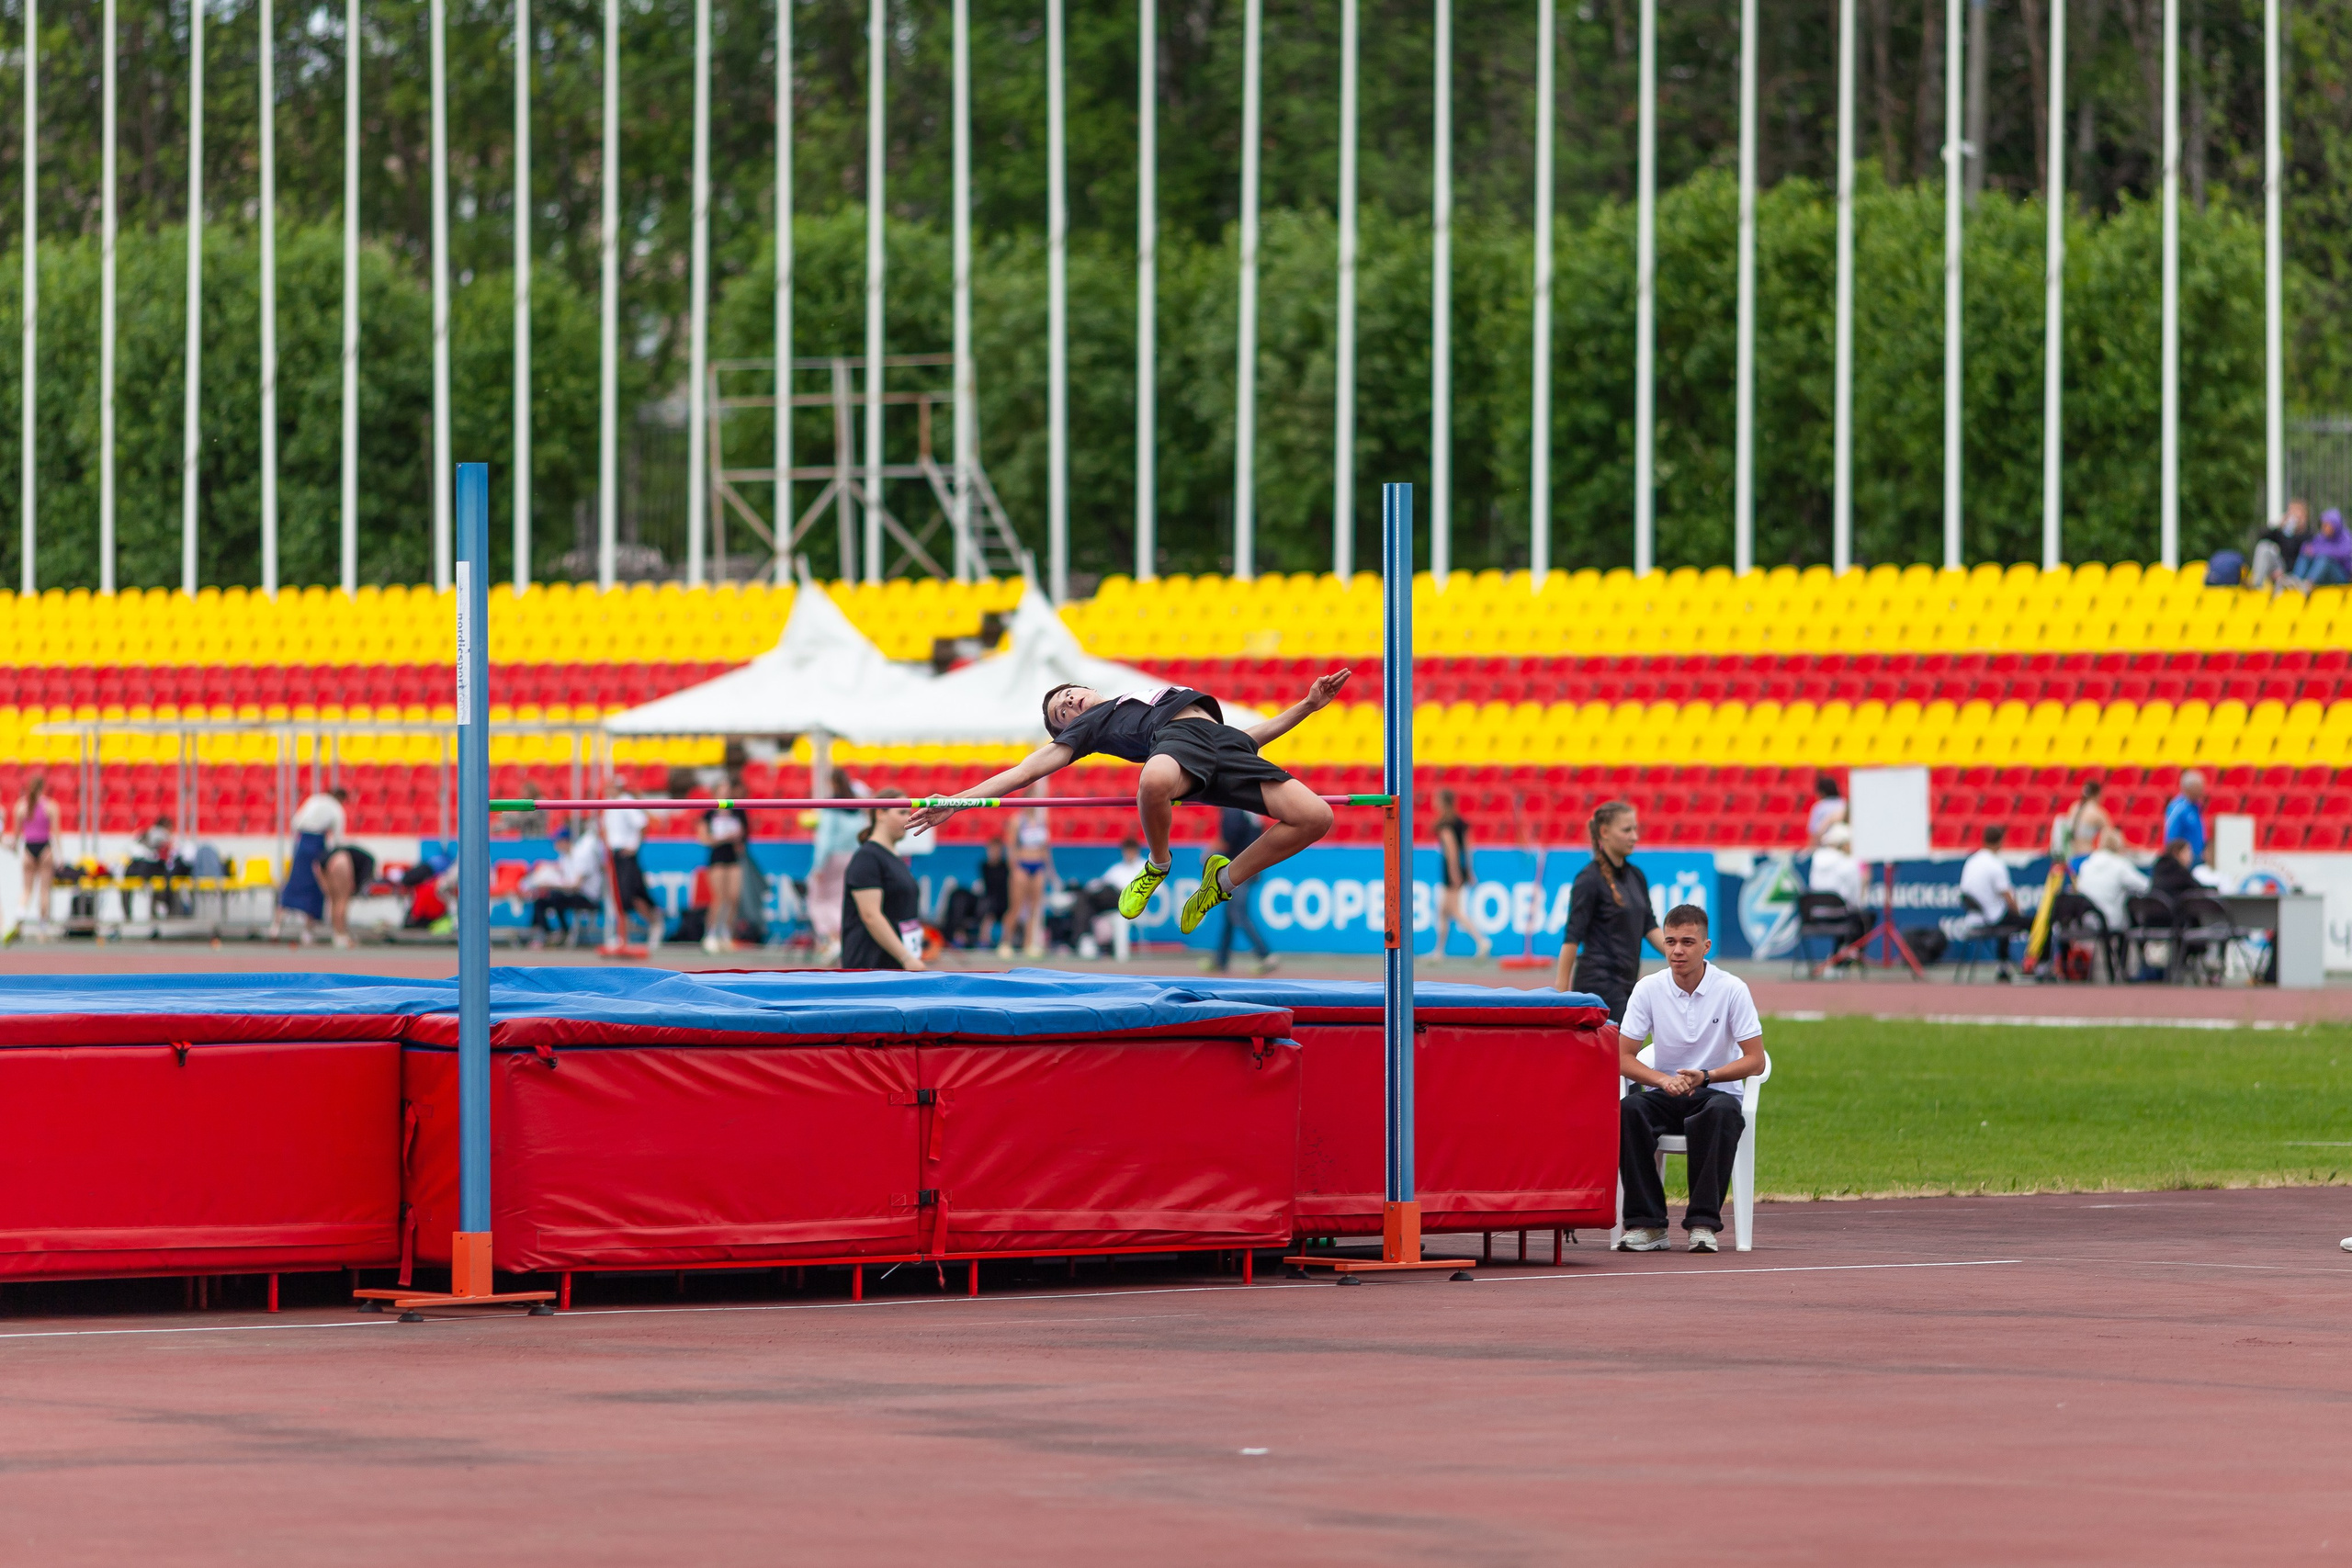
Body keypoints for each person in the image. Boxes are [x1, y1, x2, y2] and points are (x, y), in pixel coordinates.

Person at [909, 672, 1350, 937]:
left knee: (1316, 816)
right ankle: (1158, 864)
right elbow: (1027, 770)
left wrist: (1307, 706)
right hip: (1176, 751)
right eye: (1062, 712)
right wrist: (958, 802)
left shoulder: (1135, 698)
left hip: (1225, 746)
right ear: (1069, 729)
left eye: (1068, 695)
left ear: (1086, 686)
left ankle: (1222, 880)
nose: (1069, 703)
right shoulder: (1092, 724)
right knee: (1153, 780)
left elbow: (1244, 739)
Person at [1613, 904, 1767, 1254]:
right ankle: (1647, 1225)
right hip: (1667, 1094)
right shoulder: (1648, 988)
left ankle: (1702, 1224)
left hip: (1715, 1094)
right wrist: (1662, 1080)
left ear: (1706, 946)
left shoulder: (1732, 989)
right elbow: (1621, 1057)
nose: (1677, 951)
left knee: (1721, 1112)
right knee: (1629, 1110)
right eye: (1670, 942)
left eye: (1687, 942)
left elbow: (1756, 1060)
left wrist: (1706, 1077)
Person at [1555, 800, 1666, 1021]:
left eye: (1635, 829)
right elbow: (1572, 938)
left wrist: (1678, 952)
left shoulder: (1637, 876)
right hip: (1598, 987)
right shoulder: (1589, 879)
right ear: (1604, 832)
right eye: (1626, 830)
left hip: (1629, 984)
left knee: (1633, 1041)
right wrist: (1560, 992)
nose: (1634, 836)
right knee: (1625, 1042)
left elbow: (1649, 925)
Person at [841, 804, 925, 972]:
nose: (909, 818)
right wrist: (906, 958)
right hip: (870, 968)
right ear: (880, 813)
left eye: (909, 813)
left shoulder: (896, 859)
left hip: (894, 966)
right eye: (902, 812)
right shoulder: (867, 857)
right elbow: (871, 915)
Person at [272, 785, 349, 945]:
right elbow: (338, 840)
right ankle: (307, 931)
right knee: (315, 889)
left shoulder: (314, 800)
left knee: (292, 884)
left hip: (302, 843)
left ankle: (276, 927)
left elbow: (295, 822)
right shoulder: (336, 809)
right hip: (317, 845)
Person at [1206, 809, 1279, 975]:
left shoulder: (1232, 809)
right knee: (1230, 914)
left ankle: (1266, 956)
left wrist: (1209, 853)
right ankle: (1221, 960)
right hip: (1251, 864)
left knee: (1236, 913)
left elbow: (1228, 839)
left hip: (1239, 868)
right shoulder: (1251, 809)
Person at [806, 778, 869, 961]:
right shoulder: (859, 814)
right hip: (852, 859)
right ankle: (839, 940)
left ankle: (832, 939)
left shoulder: (831, 809)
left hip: (832, 860)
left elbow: (825, 840)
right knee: (841, 900)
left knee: (818, 899)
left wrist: (818, 866)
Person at [1958, 824, 2029, 980]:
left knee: (2007, 918)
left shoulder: (1971, 861)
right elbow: (2008, 896)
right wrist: (2019, 913)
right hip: (1991, 918)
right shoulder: (1996, 864)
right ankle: (2038, 966)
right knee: (2032, 922)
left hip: (1974, 917)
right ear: (2000, 842)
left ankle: (2003, 966)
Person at [2074, 828, 2150, 972]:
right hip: (2111, 922)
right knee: (2130, 922)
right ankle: (2123, 969)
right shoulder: (2120, 865)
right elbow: (2146, 886)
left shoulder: (2086, 865)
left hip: (2087, 920)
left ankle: (2117, 970)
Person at [1430, 789, 1489, 962]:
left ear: (1442, 802)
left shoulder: (1445, 824)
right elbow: (1468, 847)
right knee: (1443, 910)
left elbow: (1452, 849)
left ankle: (1481, 941)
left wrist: (1454, 872)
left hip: (1451, 870)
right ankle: (1439, 951)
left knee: (1454, 910)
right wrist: (1469, 870)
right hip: (1460, 868)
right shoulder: (1461, 823)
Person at [526, 821, 606, 945]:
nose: (555, 846)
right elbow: (562, 876)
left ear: (565, 841)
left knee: (556, 897)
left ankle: (565, 931)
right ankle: (548, 934)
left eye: (557, 842)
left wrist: (551, 885)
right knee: (540, 901)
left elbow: (576, 886)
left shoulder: (581, 856)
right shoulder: (565, 857)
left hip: (588, 896)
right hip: (572, 895)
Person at [1069, 836, 1151, 958]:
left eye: (1131, 850)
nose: (1128, 854)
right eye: (1126, 851)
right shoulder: (1117, 868)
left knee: (1092, 896)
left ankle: (1082, 938)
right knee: (1088, 898)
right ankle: (1085, 939)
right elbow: (1103, 883)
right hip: (1111, 902)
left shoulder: (1145, 867)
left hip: (1128, 901)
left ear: (1136, 851)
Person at [603, 784, 662, 948]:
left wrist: (634, 846)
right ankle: (623, 935)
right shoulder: (609, 804)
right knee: (620, 895)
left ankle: (654, 924)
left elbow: (642, 823)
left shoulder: (625, 801)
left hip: (626, 854)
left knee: (631, 893)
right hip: (616, 855)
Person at [4, 773, 56, 942]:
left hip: (28, 849)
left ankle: (19, 920)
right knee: (44, 891)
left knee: (26, 890)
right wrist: (60, 856)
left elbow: (16, 837)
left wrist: (11, 846)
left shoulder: (21, 807)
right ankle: (42, 930)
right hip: (45, 848)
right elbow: (56, 833)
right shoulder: (50, 806)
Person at [698, 794, 750, 953]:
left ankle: (726, 933)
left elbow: (744, 837)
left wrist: (736, 838)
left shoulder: (737, 812)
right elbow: (704, 838)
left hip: (733, 858)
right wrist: (722, 838)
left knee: (733, 897)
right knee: (719, 898)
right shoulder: (709, 814)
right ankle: (711, 934)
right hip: (717, 859)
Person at [1003, 796, 1054, 959]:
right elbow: (1011, 846)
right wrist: (1014, 868)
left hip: (1038, 866)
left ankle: (1028, 943)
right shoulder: (1017, 821)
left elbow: (1045, 848)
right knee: (1016, 907)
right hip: (1022, 865)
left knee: (1033, 908)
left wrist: (1051, 872)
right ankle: (1006, 942)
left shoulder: (1041, 821)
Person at [1806, 823, 1868, 950]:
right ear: (1845, 845)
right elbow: (1855, 900)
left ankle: (1839, 955)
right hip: (1841, 916)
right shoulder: (1850, 864)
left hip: (1815, 916)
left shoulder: (1815, 861)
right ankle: (1847, 955)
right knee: (1863, 918)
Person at [2287, 508, 2352, 591]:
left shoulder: (2346, 538)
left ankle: (2308, 584)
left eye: (2327, 525)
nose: (2324, 528)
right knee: (2305, 555)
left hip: (2341, 576)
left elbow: (2342, 554)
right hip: (2323, 576)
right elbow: (2307, 548)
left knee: (2324, 559)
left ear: (2335, 525)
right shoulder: (2321, 537)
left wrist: (2317, 551)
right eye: (2323, 525)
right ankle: (2296, 580)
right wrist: (2310, 551)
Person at [2250, 500, 2308, 591]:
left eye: (2296, 512)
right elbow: (2262, 536)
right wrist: (2279, 525)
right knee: (2263, 547)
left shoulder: (2308, 536)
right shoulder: (2282, 533)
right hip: (2279, 568)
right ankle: (2256, 584)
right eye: (2291, 512)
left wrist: (2300, 529)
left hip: (2294, 575)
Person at [2052, 777, 2114, 861]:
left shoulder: (2074, 807)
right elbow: (2111, 836)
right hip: (2086, 855)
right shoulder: (2097, 812)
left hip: (2071, 856)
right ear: (2097, 794)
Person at [2164, 770, 2209, 865]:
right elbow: (2171, 835)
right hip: (2184, 859)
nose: (2202, 791)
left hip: (2197, 856)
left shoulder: (2196, 806)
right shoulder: (2178, 808)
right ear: (2187, 788)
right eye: (2198, 788)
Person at [1806, 773, 1847, 845]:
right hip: (1843, 844)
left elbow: (1814, 833)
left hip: (1825, 846)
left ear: (1822, 792)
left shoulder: (1819, 807)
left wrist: (1811, 849)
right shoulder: (1844, 803)